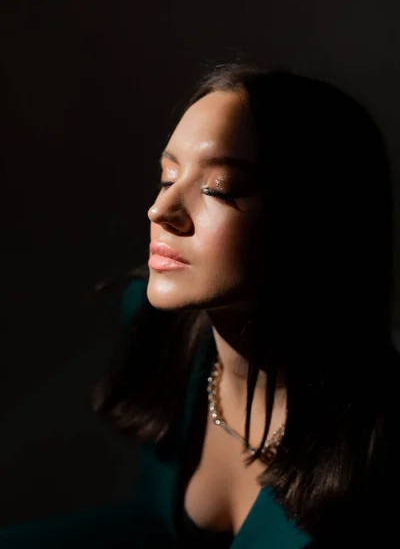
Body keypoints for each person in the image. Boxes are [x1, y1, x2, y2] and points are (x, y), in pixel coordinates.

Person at [1, 62, 397, 548]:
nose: (160, 210)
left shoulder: (378, 435)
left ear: (313, 221)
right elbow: (155, 526)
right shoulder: (155, 326)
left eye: (218, 189)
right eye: (168, 176)